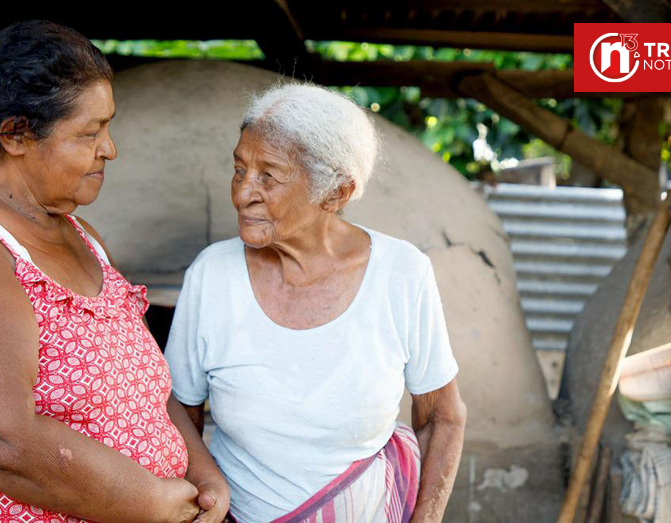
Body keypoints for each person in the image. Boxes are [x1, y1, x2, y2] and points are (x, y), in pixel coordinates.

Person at [0, 20, 228, 523]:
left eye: (108, 126)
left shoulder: (83, 238)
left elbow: (146, 390)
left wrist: (202, 474)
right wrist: (146, 501)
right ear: (16, 135)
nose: (110, 148)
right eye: (89, 132)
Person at [164, 84, 467, 523]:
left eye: (268, 176)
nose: (242, 193)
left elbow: (443, 418)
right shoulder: (213, 274)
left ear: (336, 193)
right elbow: (178, 408)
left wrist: (426, 518)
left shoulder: (401, 273)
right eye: (239, 169)